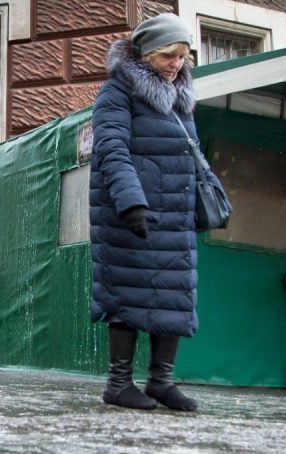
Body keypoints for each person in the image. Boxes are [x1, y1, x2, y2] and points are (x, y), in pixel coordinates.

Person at [89, 14, 228, 411]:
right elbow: (111, 150)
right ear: (147, 52)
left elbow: (193, 153)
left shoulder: (180, 100)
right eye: (170, 55)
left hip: (174, 213)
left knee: (174, 294)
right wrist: (131, 202)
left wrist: (213, 194)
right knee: (126, 294)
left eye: (184, 57)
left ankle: (161, 382)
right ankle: (118, 383)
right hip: (130, 214)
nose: (177, 64)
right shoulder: (117, 92)